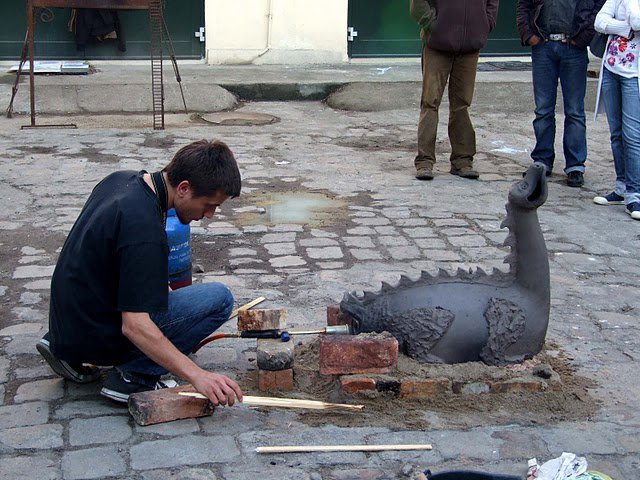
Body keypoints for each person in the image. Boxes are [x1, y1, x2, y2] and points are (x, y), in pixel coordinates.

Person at [37, 139, 245, 405]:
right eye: (209, 204)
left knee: (170, 295)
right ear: (183, 188)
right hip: (93, 334)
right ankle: (134, 375)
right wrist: (198, 376)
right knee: (219, 299)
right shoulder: (145, 230)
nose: (209, 215)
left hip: (66, 324)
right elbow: (135, 326)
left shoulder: (121, 181)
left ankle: (67, 349)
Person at [516, 0, 606, 187]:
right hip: (543, 46)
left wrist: (583, 38)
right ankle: (542, 160)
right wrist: (529, 35)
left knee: (574, 111)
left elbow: (599, 7)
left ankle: (575, 166)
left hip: (574, 49)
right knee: (543, 109)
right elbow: (523, 5)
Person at [410, 0, 500, 181]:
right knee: (430, 102)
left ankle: (462, 161)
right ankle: (425, 162)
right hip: (437, 44)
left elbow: (493, 3)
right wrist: (432, 23)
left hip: (470, 46)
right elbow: (417, 4)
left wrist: (485, 23)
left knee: (462, 105)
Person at [592, 0, 640, 220]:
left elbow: (638, 21)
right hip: (612, 68)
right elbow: (599, 21)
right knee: (616, 133)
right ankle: (621, 186)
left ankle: (635, 192)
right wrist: (623, 28)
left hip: (634, 74)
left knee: (632, 135)